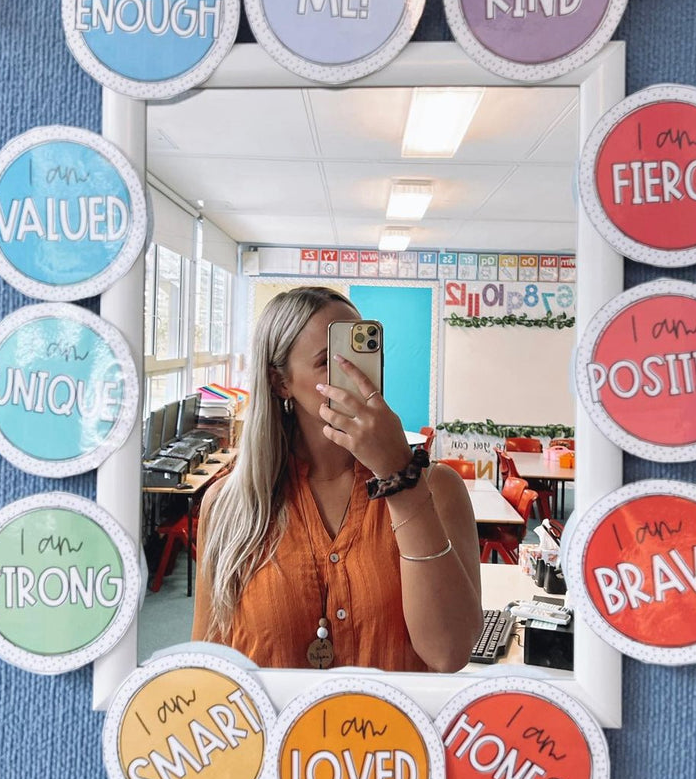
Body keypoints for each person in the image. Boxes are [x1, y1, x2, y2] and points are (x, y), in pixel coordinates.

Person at [192, 286, 483, 672]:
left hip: (394, 730)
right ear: (281, 383)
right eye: (329, 360)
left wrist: (399, 476)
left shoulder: (438, 489)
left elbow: (449, 653)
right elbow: (207, 663)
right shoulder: (229, 506)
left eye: (361, 354)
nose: (354, 373)